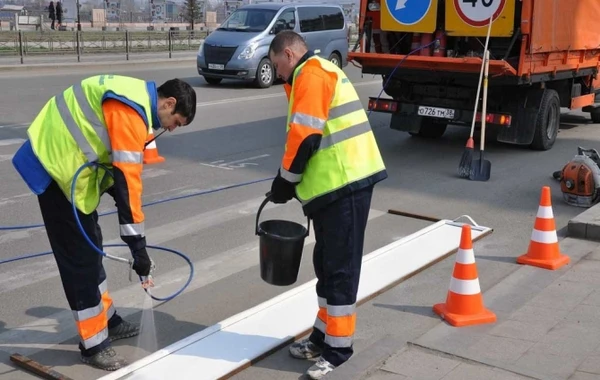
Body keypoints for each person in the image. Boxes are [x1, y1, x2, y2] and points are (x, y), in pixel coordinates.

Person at [11, 75, 196, 371]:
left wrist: (134, 236)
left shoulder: (138, 104)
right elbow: (127, 183)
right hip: (53, 171)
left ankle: (107, 319)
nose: (171, 128)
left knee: (92, 247)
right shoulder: (130, 111)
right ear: (169, 103)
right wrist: (139, 249)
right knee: (80, 261)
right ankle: (94, 345)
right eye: (176, 121)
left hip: (71, 173)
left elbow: (118, 170)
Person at [267, 31, 388, 379]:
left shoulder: (313, 74)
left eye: (277, 66)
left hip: (347, 183)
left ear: (289, 54)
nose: (277, 74)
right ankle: (322, 337)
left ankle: (339, 349)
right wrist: (288, 182)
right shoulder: (309, 74)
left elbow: (306, 137)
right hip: (332, 187)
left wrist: (285, 181)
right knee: (326, 262)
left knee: (340, 269)